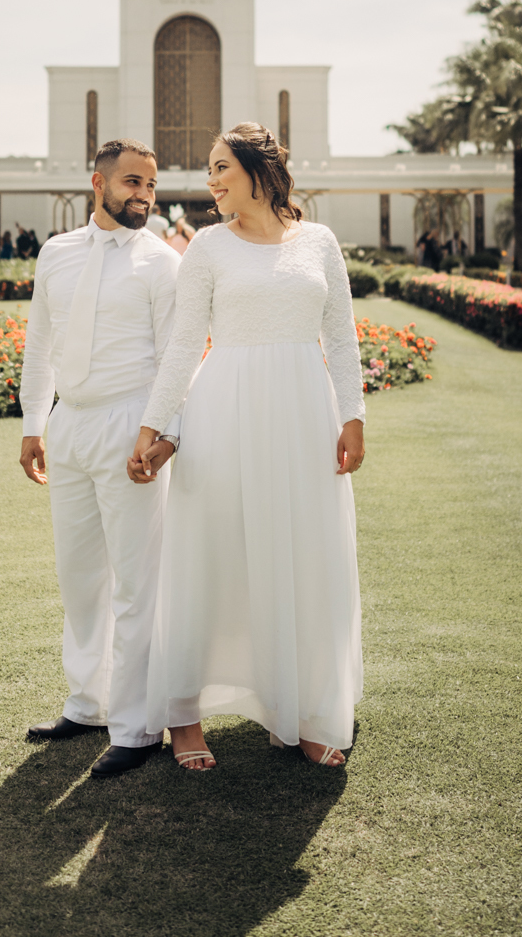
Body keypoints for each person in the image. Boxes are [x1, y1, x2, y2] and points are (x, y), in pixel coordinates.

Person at [129, 123, 365, 773]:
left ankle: (307, 711)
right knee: (211, 556)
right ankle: (183, 715)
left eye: (221, 167)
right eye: (209, 170)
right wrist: (153, 427)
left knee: (305, 554)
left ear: (259, 168)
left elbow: (341, 339)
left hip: (303, 414)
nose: (211, 181)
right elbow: (183, 346)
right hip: (223, 411)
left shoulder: (318, 242)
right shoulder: (206, 247)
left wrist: (354, 417)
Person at [19, 139, 183, 780]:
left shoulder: (161, 264)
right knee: (79, 576)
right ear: (99, 182)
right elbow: (39, 342)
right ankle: (86, 705)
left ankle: (139, 726)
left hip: (130, 426)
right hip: (70, 425)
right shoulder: (55, 254)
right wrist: (36, 421)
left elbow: (178, 355)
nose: (144, 195)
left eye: (151, 185)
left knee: (137, 582)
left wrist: (165, 432)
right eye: (133, 183)